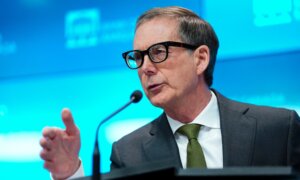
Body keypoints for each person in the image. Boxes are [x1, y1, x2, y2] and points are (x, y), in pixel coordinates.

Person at [39, 6, 300, 179]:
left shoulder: (278, 127)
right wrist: (68, 172)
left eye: (158, 52)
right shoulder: (129, 151)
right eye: (138, 57)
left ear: (200, 59)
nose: (146, 68)